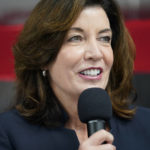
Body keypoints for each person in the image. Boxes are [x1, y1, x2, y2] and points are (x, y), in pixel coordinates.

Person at [0, 0, 150, 149]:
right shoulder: (7, 133)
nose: (96, 53)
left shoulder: (146, 124)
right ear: (43, 56)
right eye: (76, 38)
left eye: (104, 38)